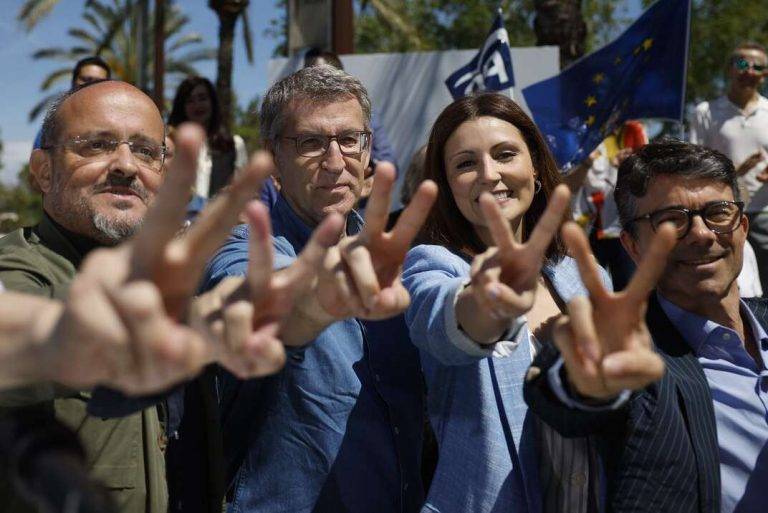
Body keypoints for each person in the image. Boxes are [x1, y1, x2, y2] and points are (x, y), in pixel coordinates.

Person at [0, 79, 317, 513]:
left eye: (147, 151)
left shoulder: (180, 277)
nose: (126, 165)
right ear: (42, 169)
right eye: (97, 145)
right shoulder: (15, 268)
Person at [202, 64, 437, 512]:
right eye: (310, 143)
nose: (335, 162)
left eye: (349, 140)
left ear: (368, 150)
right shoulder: (244, 250)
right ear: (272, 158)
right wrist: (309, 303)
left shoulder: (401, 262)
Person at [524, 139, 768, 513]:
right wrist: (588, 381)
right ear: (632, 245)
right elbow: (562, 395)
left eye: (718, 212)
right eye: (671, 220)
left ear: (742, 226)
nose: (702, 234)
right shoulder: (638, 349)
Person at [402, 92, 608, 513]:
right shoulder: (431, 266)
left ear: (535, 167)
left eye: (504, 154)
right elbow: (443, 319)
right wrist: (489, 305)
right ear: (446, 185)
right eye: (465, 164)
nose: (489, 174)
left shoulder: (581, 273)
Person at [689, 41, 768, 290]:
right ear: (730, 69)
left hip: (766, 212)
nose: (749, 71)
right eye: (742, 63)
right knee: (734, 285)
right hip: (723, 212)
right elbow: (694, 165)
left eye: (758, 66)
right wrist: (736, 171)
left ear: (764, 75)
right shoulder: (706, 112)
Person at [168, 76, 248, 199]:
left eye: (202, 98)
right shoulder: (171, 144)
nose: (197, 105)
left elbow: (241, 190)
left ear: (212, 102)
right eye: (190, 100)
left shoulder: (234, 145)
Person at [32, 56, 112, 150]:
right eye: (86, 79)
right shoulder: (54, 126)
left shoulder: (117, 123)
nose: (91, 85)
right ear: (74, 81)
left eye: (99, 82)